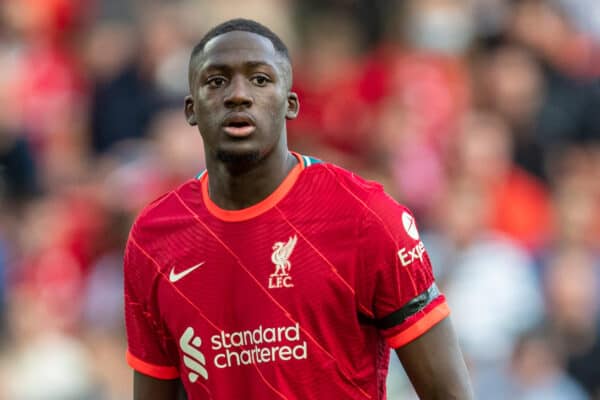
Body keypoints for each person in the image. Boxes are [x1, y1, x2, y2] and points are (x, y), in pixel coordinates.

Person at [124, 18, 473, 399]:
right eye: (216, 81)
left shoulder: (365, 216)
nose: (238, 95)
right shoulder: (154, 238)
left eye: (259, 80)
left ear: (290, 104)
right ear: (191, 109)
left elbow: (450, 393)